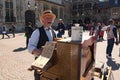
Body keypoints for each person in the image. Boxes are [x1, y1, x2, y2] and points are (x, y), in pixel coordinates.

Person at [27, 10, 56, 80]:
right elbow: (30, 47)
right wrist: (40, 52)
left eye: (51, 18)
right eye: (47, 18)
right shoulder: (37, 32)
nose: (49, 20)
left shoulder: (54, 32)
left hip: (52, 62)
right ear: (42, 21)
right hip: (40, 61)